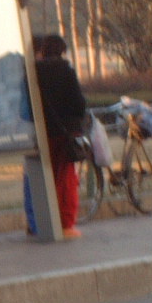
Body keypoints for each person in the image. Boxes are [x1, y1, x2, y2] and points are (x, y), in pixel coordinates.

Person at [34, 35, 88, 239]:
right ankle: (65, 224)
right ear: (62, 51)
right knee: (65, 178)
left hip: (42, 131)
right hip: (65, 132)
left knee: (44, 177)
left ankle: (40, 223)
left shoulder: (34, 72)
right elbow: (79, 104)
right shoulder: (66, 71)